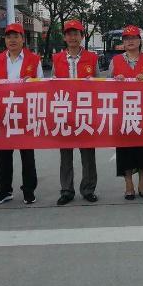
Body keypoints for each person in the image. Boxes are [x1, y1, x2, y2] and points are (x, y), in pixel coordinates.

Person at [0, 23, 43, 205]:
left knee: (27, 155)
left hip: (25, 114)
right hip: (3, 115)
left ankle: (29, 191)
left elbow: (42, 85)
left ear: (23, 39)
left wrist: (33, 83)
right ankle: (4, 191)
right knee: (4, 156)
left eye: (16, 36)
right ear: (4, 40)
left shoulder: (34, 59)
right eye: (9, 37)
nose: (12, 40)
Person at [111, 25, 143, 200]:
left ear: (140, 41)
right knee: (125, 150)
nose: (130, 41)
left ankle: (142, 184)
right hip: (123, 113)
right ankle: (128, 185)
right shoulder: (116, 61)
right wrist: (115, 81)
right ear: (123, 42)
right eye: (126, 38)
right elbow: (106, 87)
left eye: (133, 38)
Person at [52, 19, 100, 205]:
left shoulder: (92, 58)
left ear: (82, 36)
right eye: (69, 34)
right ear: (64, 37)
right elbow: (52, 85)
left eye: (76, 34)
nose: (73, 37)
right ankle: (66, 190)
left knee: (88, 154)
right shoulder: (57, 58)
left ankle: (88, 189)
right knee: (65, 154)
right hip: (64, 111)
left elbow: (99, 85)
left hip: (85, 111)